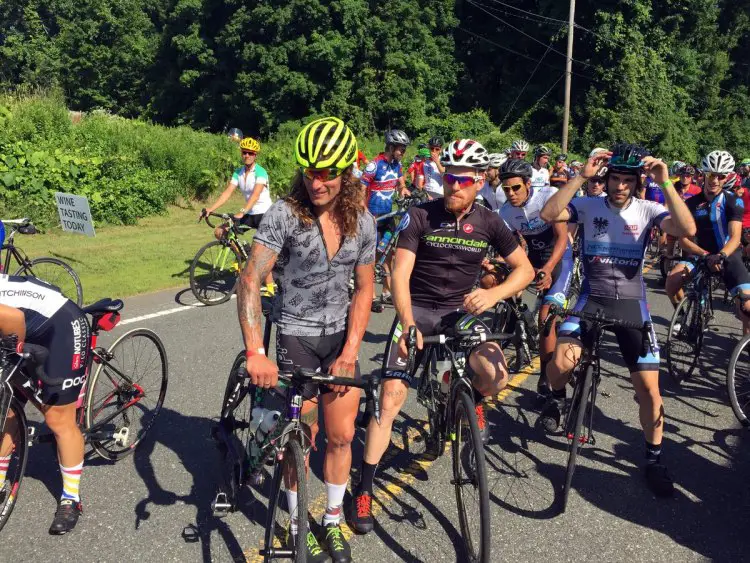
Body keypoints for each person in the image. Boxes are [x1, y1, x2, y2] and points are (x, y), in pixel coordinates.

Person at [350, 139, 534, 534]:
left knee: (497, 374)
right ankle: (363, 488)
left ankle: (467, 399)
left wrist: (492, 293)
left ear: (481, 181)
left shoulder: (489, 221)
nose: (455, 187)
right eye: (449, 178)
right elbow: (399, 274)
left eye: (464, 181)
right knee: (392, 397)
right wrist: (406, 320)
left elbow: (525, 271)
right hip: (417, 309)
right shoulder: (420, 214)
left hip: (461, 312)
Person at [237, 116, 376, 563]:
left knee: (340, 436)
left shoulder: (363, 222)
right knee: (298, 437)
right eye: (308, 172)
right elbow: (249, 281)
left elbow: (366, 289)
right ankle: (299, 524)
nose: (315, 183)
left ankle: (332, 519)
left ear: (346, 174)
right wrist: (256, 352)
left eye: (326, 174)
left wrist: (351, 352)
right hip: (294, 333)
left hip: (338, 338)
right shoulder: (284, 215)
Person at [539, 143, 696, 498]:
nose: (621, 185)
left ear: (637, 182)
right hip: (590, 298)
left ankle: (654, 459)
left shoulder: (650, 208)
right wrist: (581, 175)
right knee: (560, 365)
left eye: (628, 180)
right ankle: (557, 399)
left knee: (650, 392)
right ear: (606, 179)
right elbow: (549, 215)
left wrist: (666, 182)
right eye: (615, 179)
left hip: (631, 304)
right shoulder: (588, 203)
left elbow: (687, 229)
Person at [0, 273, 93, 534]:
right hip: (23, 329)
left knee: (57, 419)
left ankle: (71, 500)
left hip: (61, 326)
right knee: (6, 410)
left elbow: (14, 321)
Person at [498, 159, 574, 397]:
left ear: (528, 184)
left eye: (516, 188)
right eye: (506, 189)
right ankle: (520, 324)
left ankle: (546, 377)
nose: (510, 194)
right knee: (496, 283)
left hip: (559, 258)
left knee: (547, 316)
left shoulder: (547, 197)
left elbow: (562, 239)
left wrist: (549, 268)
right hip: (534, 258)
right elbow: (513, 245)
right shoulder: (505, 211)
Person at [665, 150, 750, 335]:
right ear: (703, 174)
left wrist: (720, 255)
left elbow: (735, 236)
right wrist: (705, 255)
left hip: (727, 255)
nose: (715, 180)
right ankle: (681, 315)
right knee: (671, 282)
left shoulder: (733, 201)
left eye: (721, 176)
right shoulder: (692, 203)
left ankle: (745, 345)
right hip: (700, 254)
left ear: (726, 177)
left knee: (747, 307)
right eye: (711, 174)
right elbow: (684, 240)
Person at [201, 136, 275, 296]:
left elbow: (255, 195)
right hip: (249, 214)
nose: (246, 155)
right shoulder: (238, 173)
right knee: (220, 232)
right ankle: (241, 256)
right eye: (244, 152)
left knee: (261, 251)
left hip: (264, 214)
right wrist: (210, 208)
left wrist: (242, 211)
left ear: (255, 155)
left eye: (250, 153)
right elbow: (227, 192)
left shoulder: (261, 172)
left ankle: (270, 287)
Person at [362, 129, 410, 308]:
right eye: (401, 148)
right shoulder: (374, 165)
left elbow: (400, 182)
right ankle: (371, 295)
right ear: (390, 147)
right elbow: (360, 189)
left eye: (404, 149)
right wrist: (363, 212)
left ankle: (386, 291)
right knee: (372, 256)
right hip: (373, 216)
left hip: (388, 215)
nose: (403, 152)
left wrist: (403, 189)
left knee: (389, 253)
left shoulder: (396, 165)